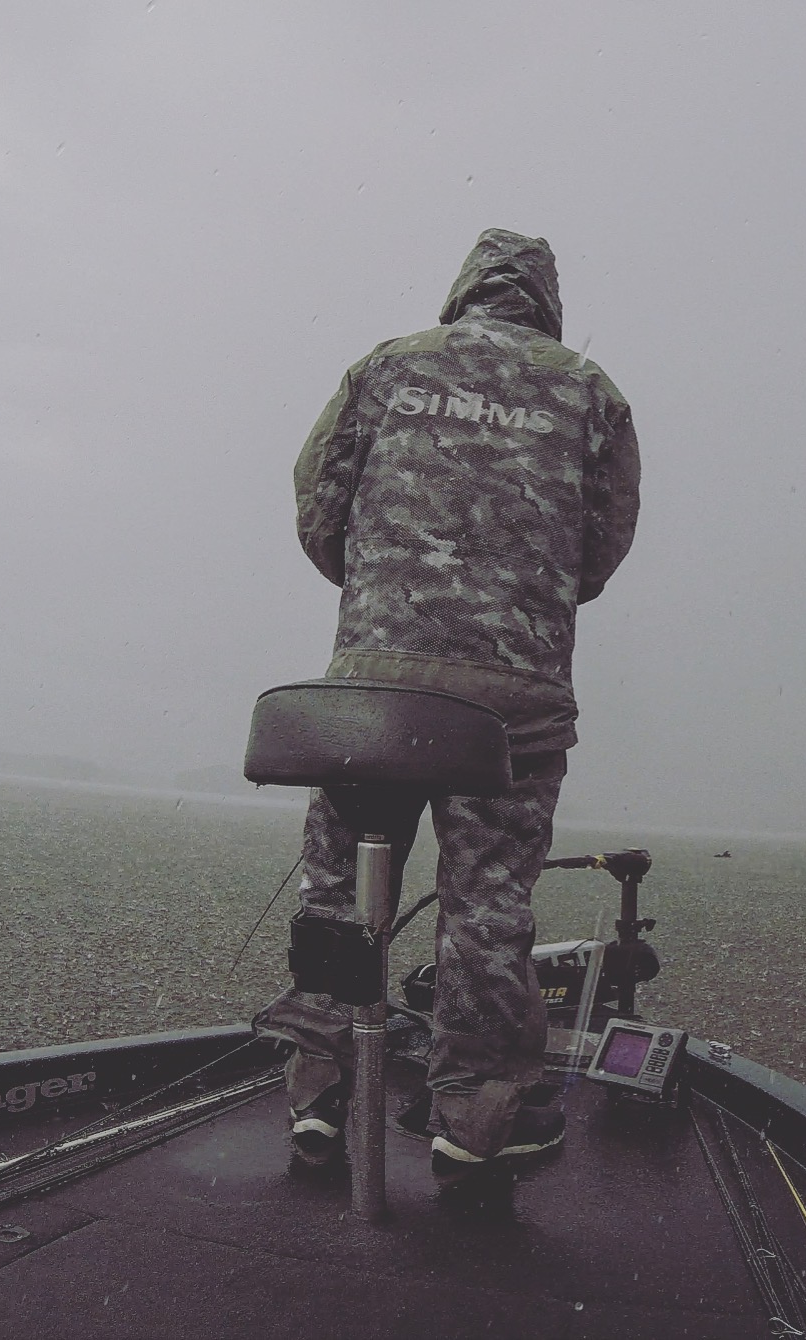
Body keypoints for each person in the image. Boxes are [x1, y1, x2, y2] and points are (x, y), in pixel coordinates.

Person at [258, 228, 641, 1175]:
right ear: (545, 302)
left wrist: (385, 594)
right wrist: (518, 602)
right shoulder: (589, 390)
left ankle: (319, 1088)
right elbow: (601, 547)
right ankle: (475, 1120)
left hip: (374, 688)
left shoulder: (388, 367)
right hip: (514, 699)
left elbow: (318, 505)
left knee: (338, 887)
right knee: (488, 907)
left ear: (463, 290)